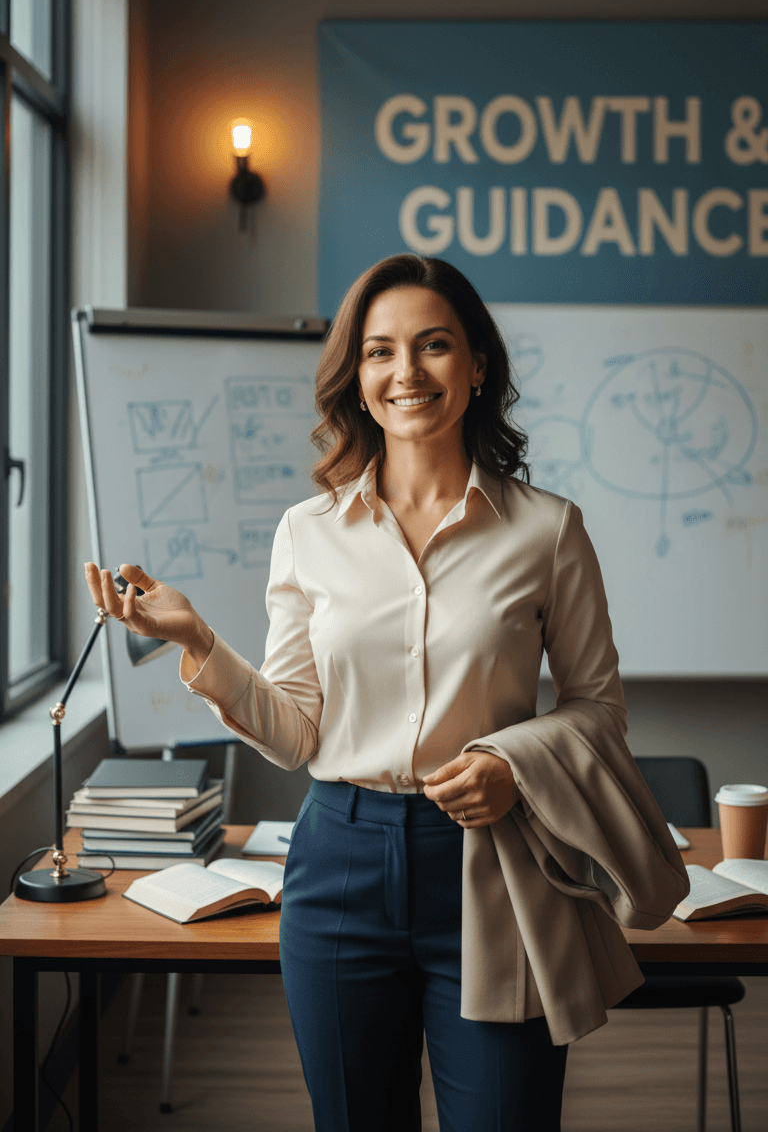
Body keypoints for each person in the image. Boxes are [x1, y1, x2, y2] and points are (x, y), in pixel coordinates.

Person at [86, 252, 641, 1132]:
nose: (406, 373)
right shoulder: (307, 533)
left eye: (434, 346)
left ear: (478, 364)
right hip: (340, 863)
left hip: (493, 867)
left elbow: (599, 712)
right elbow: (299, 732)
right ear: (357, 374)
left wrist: (512, 764)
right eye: (380, 352)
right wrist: (197, 642)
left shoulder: (549, 530)